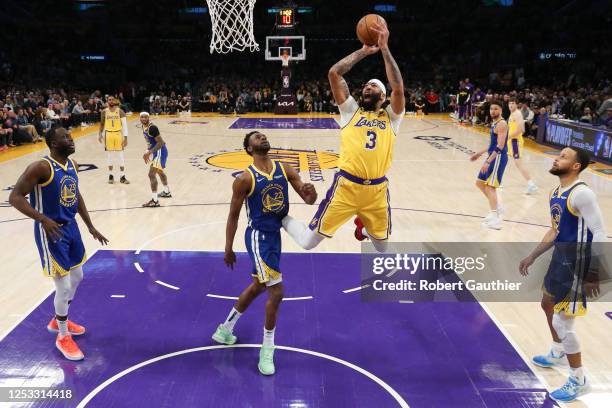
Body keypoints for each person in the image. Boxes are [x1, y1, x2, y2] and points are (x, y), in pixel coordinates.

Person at [281, 22, 404, 253]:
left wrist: (385, 48)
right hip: (346, 187)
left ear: (383, 96)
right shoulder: (350, 111)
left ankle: (364, 228)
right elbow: (334, 73)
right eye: (366, 85)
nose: (367, 87)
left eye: (373, 86)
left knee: (382, 248)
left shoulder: (392, 117)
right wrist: (364, 51)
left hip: (376, 191)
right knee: (307, 243)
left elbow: (398, 87)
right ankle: (279, 218)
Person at [211, 131, 317, 376]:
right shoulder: (245, 179)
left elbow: (308, 198)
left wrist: (311, 194)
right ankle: (267, 349)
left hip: (275, 235)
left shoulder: (285, 168)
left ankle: (225, 329)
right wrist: (228, 247)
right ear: (249, 148)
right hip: (259, 237)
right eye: (256, 137)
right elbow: (233, 216)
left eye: (263, 136)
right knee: (277, 291)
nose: (262, 138)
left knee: (259, 286)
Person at [8, 127, 108, 361]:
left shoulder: (72, 165)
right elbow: (15, 197)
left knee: (78, 276)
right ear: (52, 143)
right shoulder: (41, 167)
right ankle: (62, 336)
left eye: (71, 136)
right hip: (51, 231)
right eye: (65, 137)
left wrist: (90, 225)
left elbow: (76, 195)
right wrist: (42, 219)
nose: (71, 139)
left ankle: (57, 319)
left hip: (71, 228)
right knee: (62, 286)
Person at [519, 147, 607, 403]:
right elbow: (555, 230)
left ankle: (578, 380)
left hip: (578, 265)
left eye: (564, 157)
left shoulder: (582, 194)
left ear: (576, 166)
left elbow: (600, 232)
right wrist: (533, 255)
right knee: (546, 303)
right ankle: (558, 350)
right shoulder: (556, 192)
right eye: (558, 155)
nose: (557, 158)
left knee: (562, 322)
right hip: (561, 259)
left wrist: (594, 271)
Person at [470, 101, 508, 230]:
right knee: (479, 183)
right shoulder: (494, 123)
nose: (493, 111)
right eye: (491, 109)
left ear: (501, 110)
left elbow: (500, 146)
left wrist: (488, 161)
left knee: (490, 186)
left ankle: (496, 219)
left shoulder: (502, 124)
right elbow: (492, 144)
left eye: (496, 109)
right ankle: (497, 207)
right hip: (492, 156)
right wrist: (479, 153)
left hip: (497, 158)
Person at [140, 112, 171, 207]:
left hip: (160, 152)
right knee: (160, 172)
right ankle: (167, 192)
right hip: (156, 152)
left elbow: (160, 142)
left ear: (149, 118)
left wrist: (149, 152)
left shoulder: (152, 128)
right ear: (140, 119)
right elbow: (151, 143)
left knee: (151, 174)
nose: (144, 118)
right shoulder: (143, 127)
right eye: (142, 117)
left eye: (146, 117)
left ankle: (155, 201)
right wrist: (147, 151)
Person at [508, 98, 538, 194]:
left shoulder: (517, 114)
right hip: (511, 141)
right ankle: (498, 180)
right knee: (503, 158)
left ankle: (531, 184)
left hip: (515, 141)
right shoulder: (513, 114)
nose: (511, 105)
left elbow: (521, 130)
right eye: (509, 103)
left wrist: (507, 136)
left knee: (519, 164)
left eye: (513, 103)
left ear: (517, 105)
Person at [98, 96, 129, 184]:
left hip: (118, 134)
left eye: (112, 100)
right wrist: (100, 134)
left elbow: (125, 126)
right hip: (108, 134)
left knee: (120, 156)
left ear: (114, 101)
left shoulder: (120, 111)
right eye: (109, 100)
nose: (111, 101)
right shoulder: (104, 111)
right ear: (107, 101)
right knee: (110, 156)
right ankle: (111, 176)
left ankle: (122, 176)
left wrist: (126, 138)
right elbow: (102, 124)